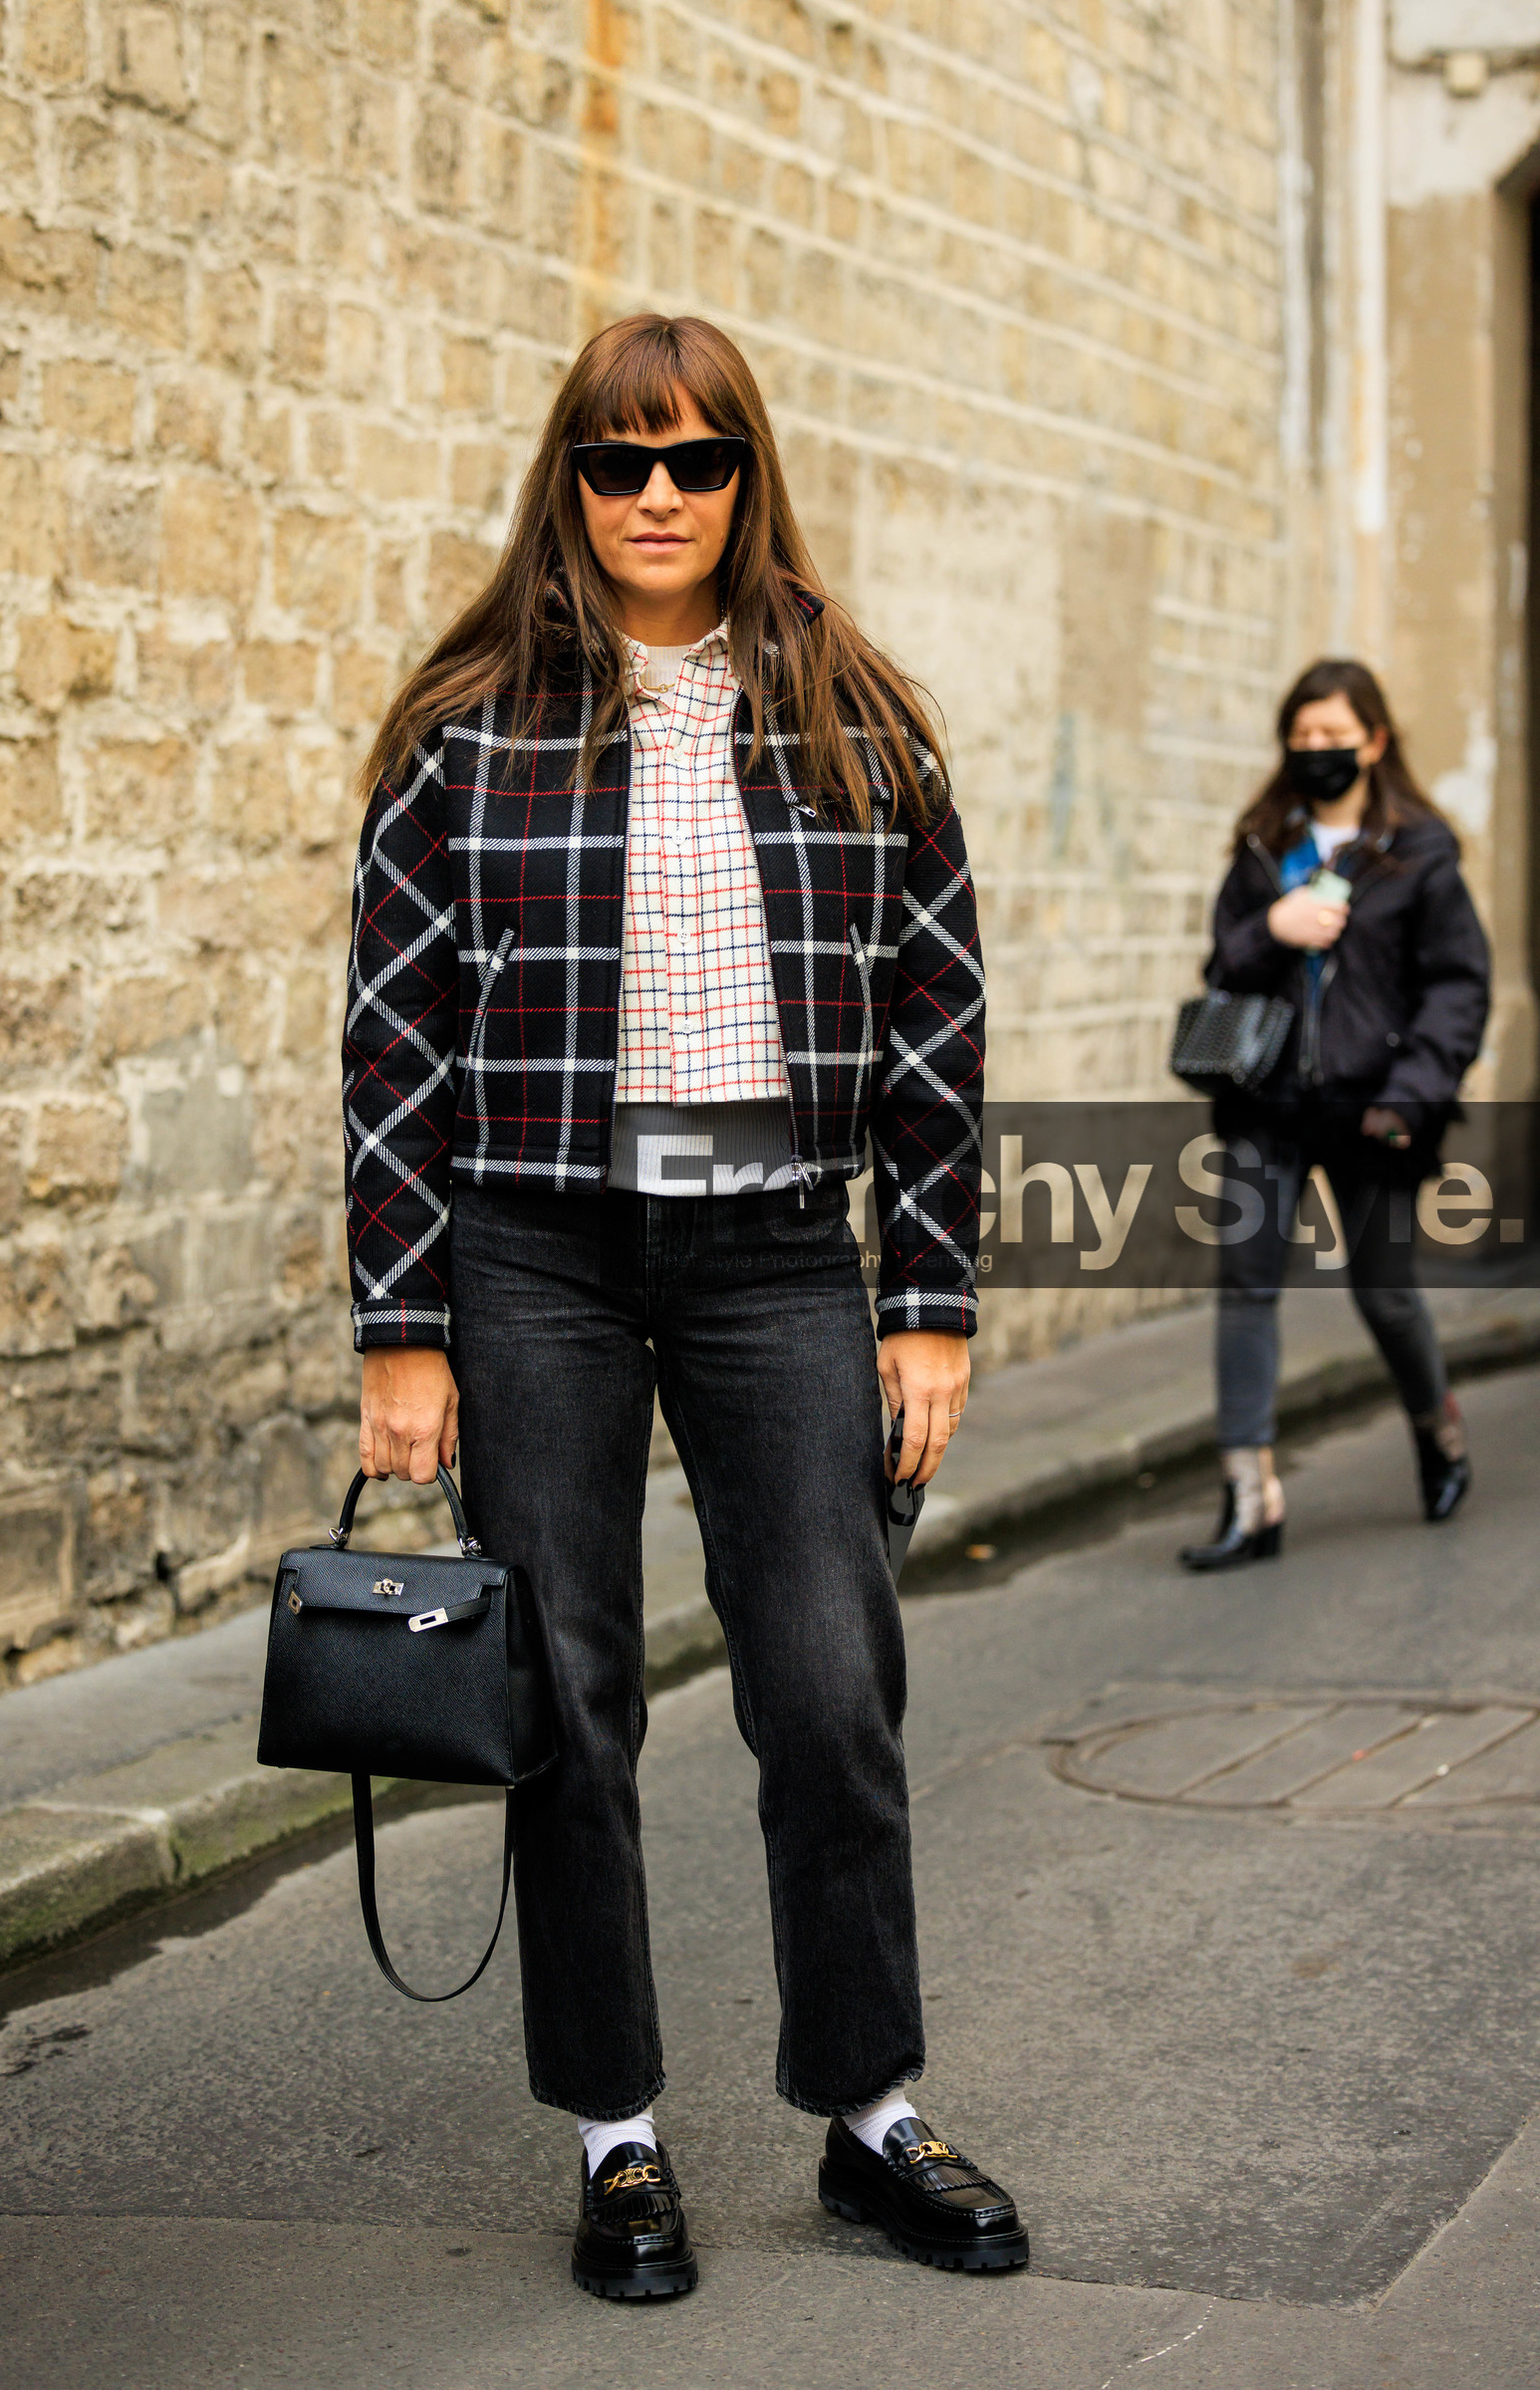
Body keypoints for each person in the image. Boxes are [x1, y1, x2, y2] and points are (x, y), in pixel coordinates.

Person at [344, 314, 1028, 2295]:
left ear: (746, 476)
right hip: (535, 1249)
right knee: (566, 1696)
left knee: (827, 1680)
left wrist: (928, 1295)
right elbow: (394, 1040)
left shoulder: (856, 718)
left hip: (773, 1249)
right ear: (566, 481)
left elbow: (935, 1024)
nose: (657, 494)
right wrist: (403, 1324)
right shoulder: (465, 727)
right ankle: (616, 2132)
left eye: (697, 458)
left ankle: (868, 2107)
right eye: (618, 459)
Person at [1179, 659, 1490, 1572]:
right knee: (1247, 1288)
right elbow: (1223, 966)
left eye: (1333, 735)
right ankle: (1251, 1497)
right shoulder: (1261, 843)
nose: (1316, 750)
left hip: (1374, 1110)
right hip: (1265, 1102)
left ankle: (1438, 1430)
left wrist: (1411, 1097)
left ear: (1375, 740)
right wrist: (1271, 928)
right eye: (1302, 735)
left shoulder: (1420, 850)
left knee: (1384, 1292)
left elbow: (1457, 987)